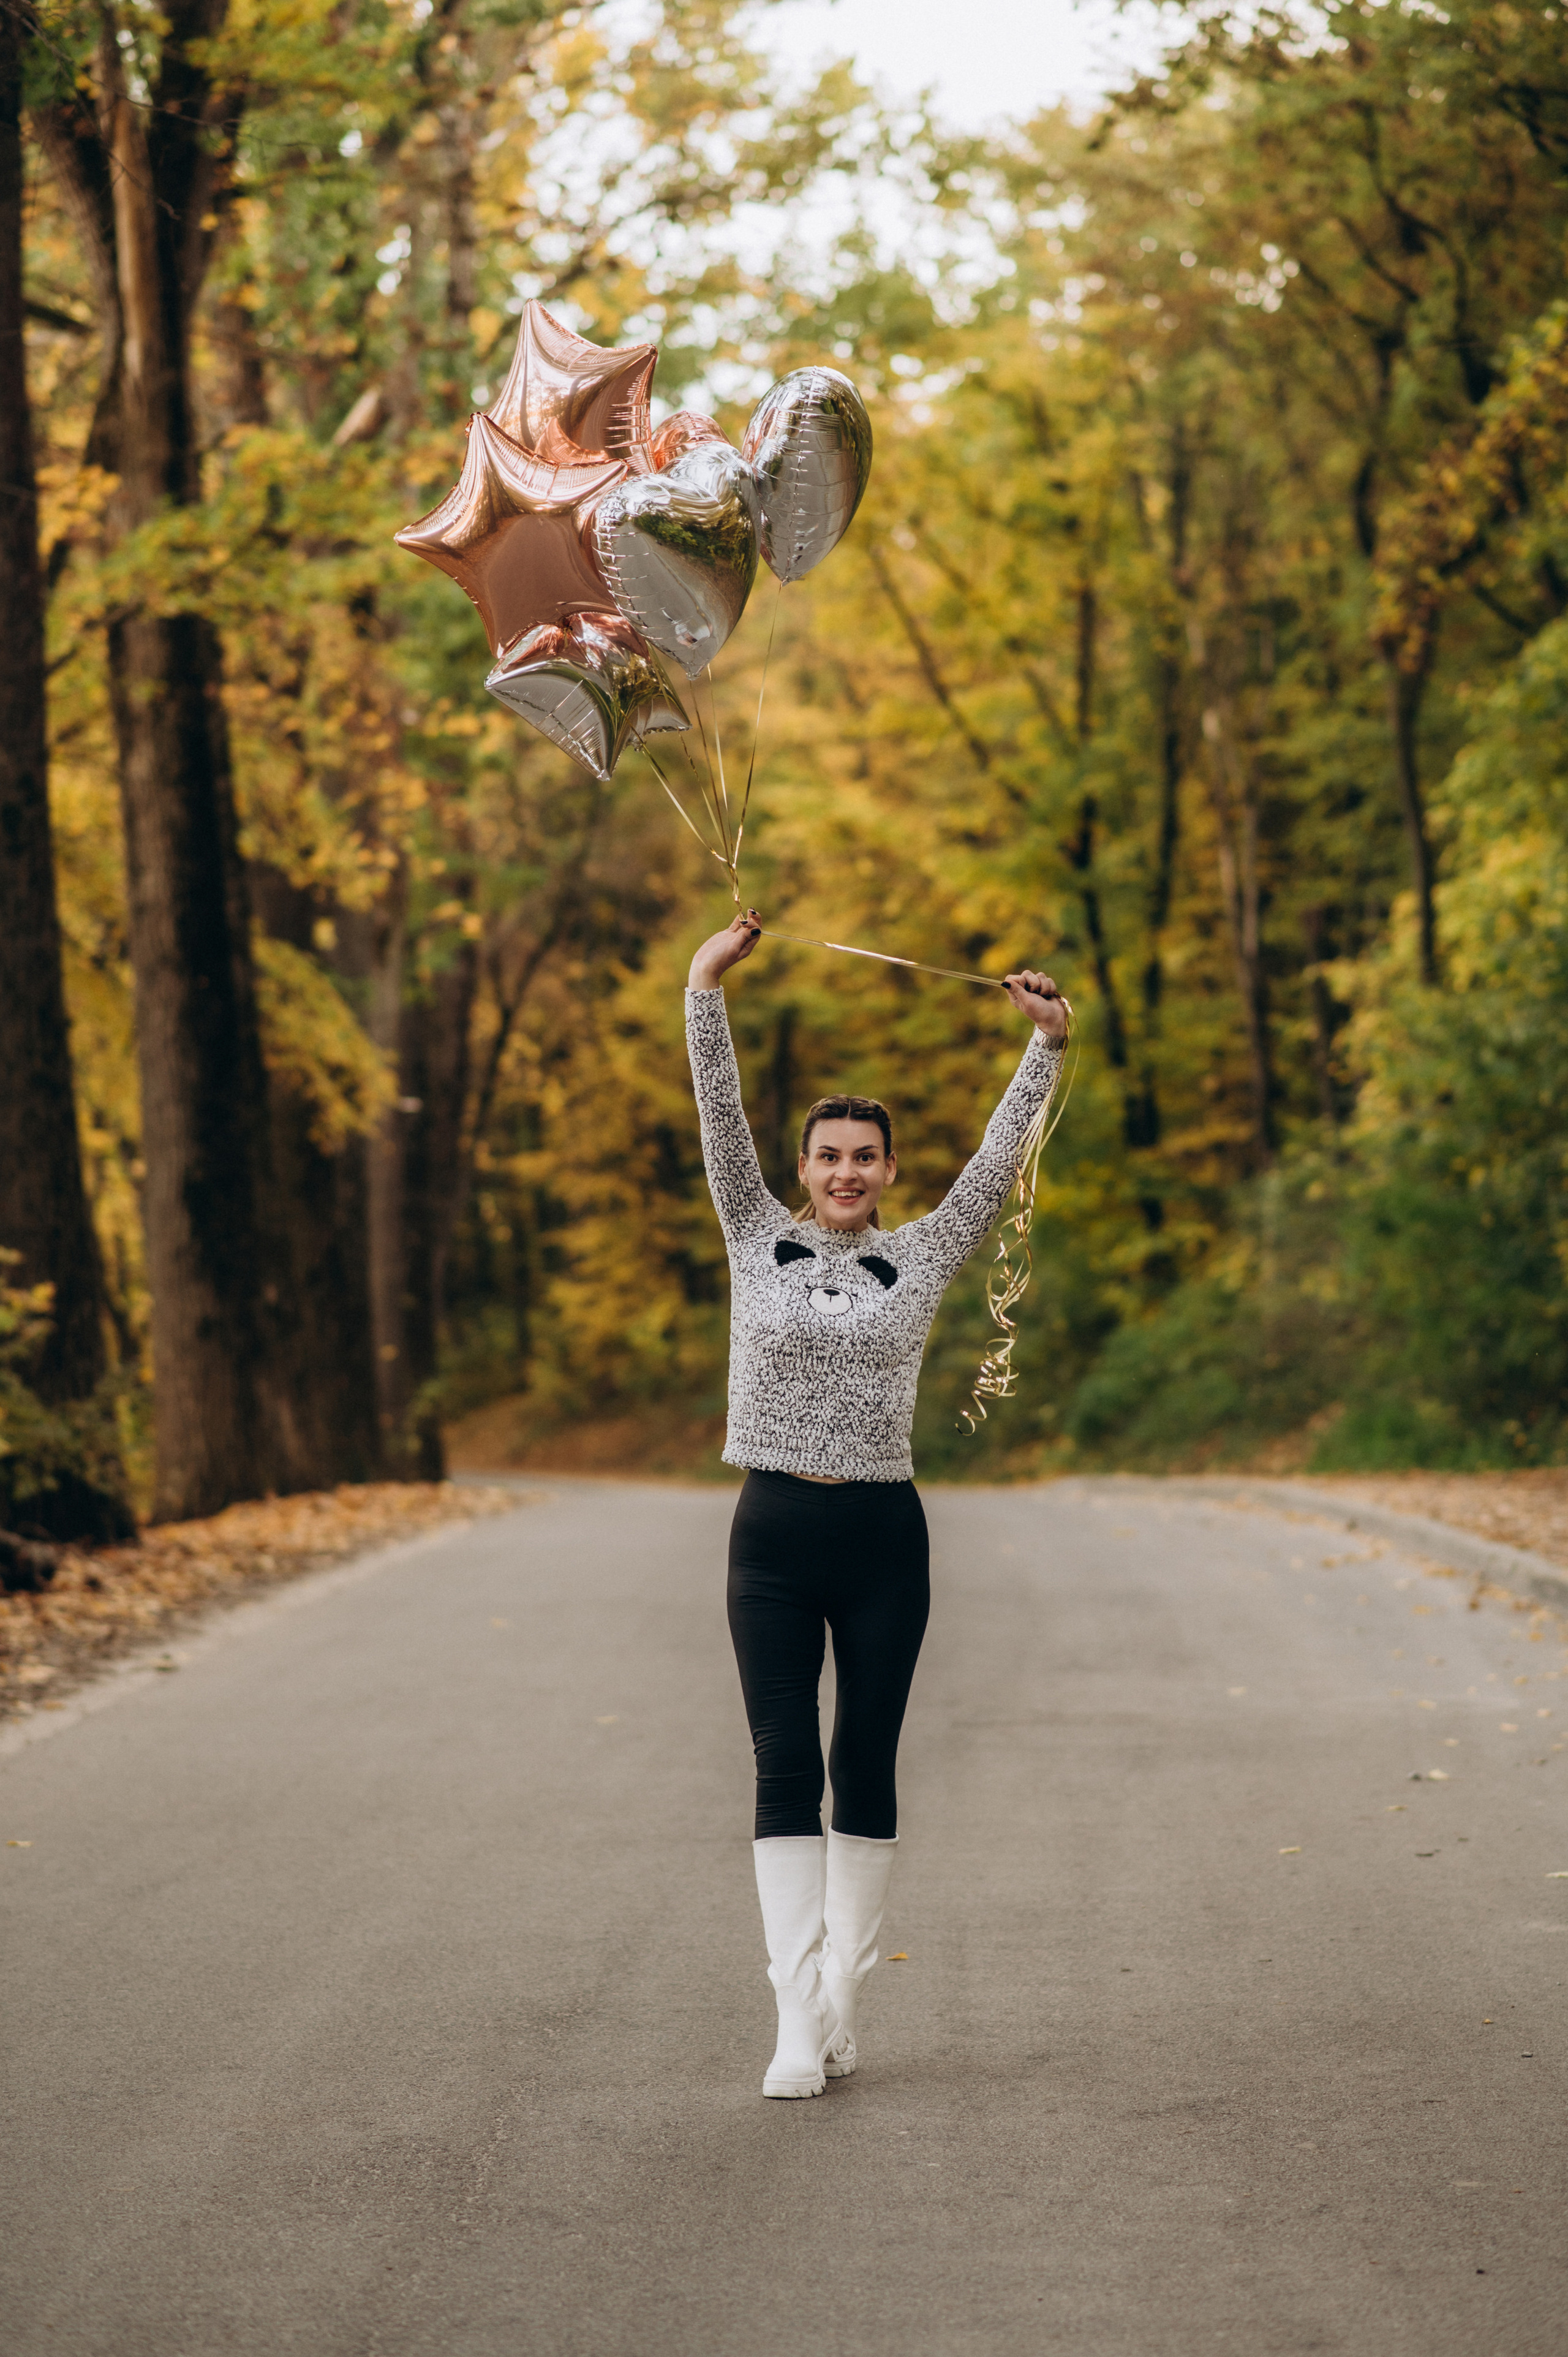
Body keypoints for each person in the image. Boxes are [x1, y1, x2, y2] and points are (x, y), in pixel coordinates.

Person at [686, 907, 1069, 2098]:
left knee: (865, 1756)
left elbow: (999, 1160)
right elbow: (715, 1107)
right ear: (801, 1171)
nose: (844, 1171)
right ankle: (794, 2018)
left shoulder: (925, 1250)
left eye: (863, 1155)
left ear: (886, 1170)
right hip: (772, 1538)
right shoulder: (752, 1231)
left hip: (880, 1539)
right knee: (779, 1758)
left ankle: (844, 1988)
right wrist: (706, 983)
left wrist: (1045, 1046)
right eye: (827, 1155)